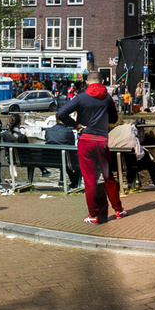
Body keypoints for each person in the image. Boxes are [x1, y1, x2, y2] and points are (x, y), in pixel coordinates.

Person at [56, 72, 124, 225]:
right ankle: (118, 210)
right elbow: (113, 119)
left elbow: (61, 113)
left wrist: (76, 125)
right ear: (102, 81)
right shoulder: (107, 98)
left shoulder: (81, 97)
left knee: (90, 180)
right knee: (108, 177)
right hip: (102, 141)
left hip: (86, 140)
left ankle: (93, 215)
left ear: (87, 82)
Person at [111, 119, 155, 190]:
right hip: (132, 164)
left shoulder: (111, 138)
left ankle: (125, 183)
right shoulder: (132, 139)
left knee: (128, 160)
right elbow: (139, 154)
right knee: (151, 164)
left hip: (114, 165)